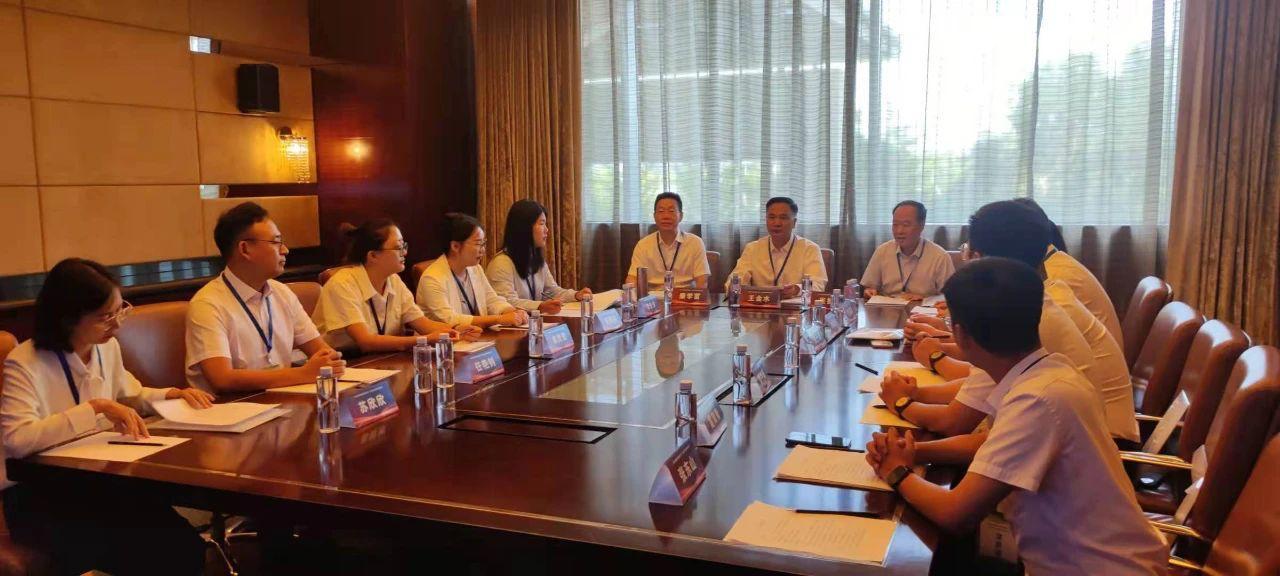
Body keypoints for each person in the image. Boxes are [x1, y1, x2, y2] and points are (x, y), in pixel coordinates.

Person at [865, 258, 1166, 575]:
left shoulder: (1036, 401)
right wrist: (915, 451)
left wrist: (896, 471)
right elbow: (991, 445)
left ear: (961, 335)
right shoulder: (1051, 372)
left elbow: (956, 514)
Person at [1, 258, 210, 575]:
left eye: (119, 310)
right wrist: (95, 409)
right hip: (42, 493)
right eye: (105, 317)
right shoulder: (25, 362)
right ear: (68, 318)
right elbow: (17, 440)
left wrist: (172, 394)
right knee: (145, 552)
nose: (117, 325)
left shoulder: (105, 347)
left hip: (98, 481)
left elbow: (129, 395)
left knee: (183, 545)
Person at [186, 201, 346, 392]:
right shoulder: (208, 304)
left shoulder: (282, 293)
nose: (285, 250)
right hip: (231, 406)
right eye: (275, 242)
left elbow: (323, 352)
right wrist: (303, 374)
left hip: (282, 398)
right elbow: (222, 379)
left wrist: (330, 361)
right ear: (245, 249)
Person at [313, 219, 478, 353]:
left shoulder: (394, 281)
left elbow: (423, 324)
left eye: (404, 246)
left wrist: (456, 329)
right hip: (344, 364)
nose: (405, 252)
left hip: (382, 360)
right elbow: (366, 341)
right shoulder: (342, 284)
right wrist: (424, 340)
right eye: (398, 248)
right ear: (373, 255)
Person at [417, 213, 529, 329]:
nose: (483, 250)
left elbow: (491, 300)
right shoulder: (432, 278)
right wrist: (498, 319)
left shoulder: (475, 269)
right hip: (447, 340)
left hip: (477, 336)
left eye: (483, 243)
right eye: (478, 244)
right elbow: (450, 319)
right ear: (455, 246)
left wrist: (512, 311)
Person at [487, 199, 592, 313]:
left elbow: (551, 291)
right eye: (542, 224)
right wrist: (540, 306)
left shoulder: (535, 259)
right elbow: (506, 302)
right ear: (524, 227)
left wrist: (576, 295)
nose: (546, 230)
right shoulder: (501, 263)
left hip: (533, 321)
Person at [725, 196, 828, 297]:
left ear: (794, 223)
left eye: (783, 218)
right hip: (761, 305)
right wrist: (733, 287)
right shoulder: (752, 249)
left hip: (795, 306)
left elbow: (818, 284)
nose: (777, 223)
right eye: (771, 217)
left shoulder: (810, 249)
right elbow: (736, 279)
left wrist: (796, 289)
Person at [860, 200, 955, 299]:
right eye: (895, 224)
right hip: (888, 307)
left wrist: (923, 299)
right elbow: (869, 287)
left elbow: (951, 297)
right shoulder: (882, 251)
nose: (899, 231)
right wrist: (869, 291)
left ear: (921, 226)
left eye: (906, 225)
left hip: (924, 308)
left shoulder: (940, 257)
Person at [625, 192, 712, 291]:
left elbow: (702, 281)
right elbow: (632, 278)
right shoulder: (643, 245)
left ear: (681, 216)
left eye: (671, 211)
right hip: (653, 297)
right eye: (661, 211)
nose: (666, 216)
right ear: (654, 216)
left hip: (684, 296)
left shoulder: (695, 243)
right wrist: (631, 294)